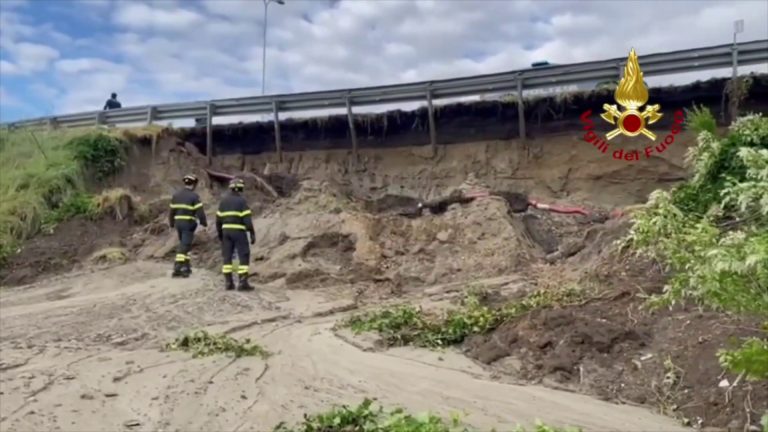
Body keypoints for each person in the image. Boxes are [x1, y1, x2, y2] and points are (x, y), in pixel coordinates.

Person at [215, 178, 255, 291]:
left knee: (227, 256)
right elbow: (247, 220)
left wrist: (220, 234)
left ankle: (228, 282)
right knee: (244, 255)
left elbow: (218, 220)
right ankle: (243, 282)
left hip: (226, 232)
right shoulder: (242, 201)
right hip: (239, 232)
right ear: (241, 188)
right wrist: (251, 233)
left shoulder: (223, 202)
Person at [169, 174, 207, 277]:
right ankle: (177, 267)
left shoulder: (176, 195)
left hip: (178, 223)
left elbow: (172, 211)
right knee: (184, 246)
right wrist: (204, 223)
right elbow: (200, 212)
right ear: (194, 184)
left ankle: (186, 267)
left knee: (185, 244)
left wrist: (171, 223)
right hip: (188, 224)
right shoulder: (194, 196)